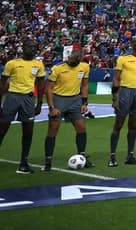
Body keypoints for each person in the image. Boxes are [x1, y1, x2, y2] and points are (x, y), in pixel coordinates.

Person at [0, 40, 47, 174]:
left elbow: (41, 84)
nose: (32, 49)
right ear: (23, 48)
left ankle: (23, 163)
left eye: (34, 47)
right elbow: (2, 83)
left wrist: (39, 104)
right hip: (12, 97)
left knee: (28, 131)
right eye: (29, 46)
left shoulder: (38, 64)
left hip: (28, 99)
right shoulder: (12, 63)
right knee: (2, 128)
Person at [43, 44, 91, 171]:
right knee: (53, 129)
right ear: (68, 58)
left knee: (81, 127)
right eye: (72, 60)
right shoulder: (57, 69)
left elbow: (85, 85)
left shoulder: (85, 67)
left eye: (76, 60)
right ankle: (48, 161)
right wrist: (51, 107)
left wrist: (84, 103)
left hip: (75, 100)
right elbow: (48, 88)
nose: (74, 62)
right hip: (59, 99)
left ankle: (82, 157)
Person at [109, 38, 136, 167]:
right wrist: (115, 98)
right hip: (125, 91)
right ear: (132, 45)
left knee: (133, 126)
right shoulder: (123, 59)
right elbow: (116, 79)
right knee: (118, 125)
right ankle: (112, 157)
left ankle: (130, 156)